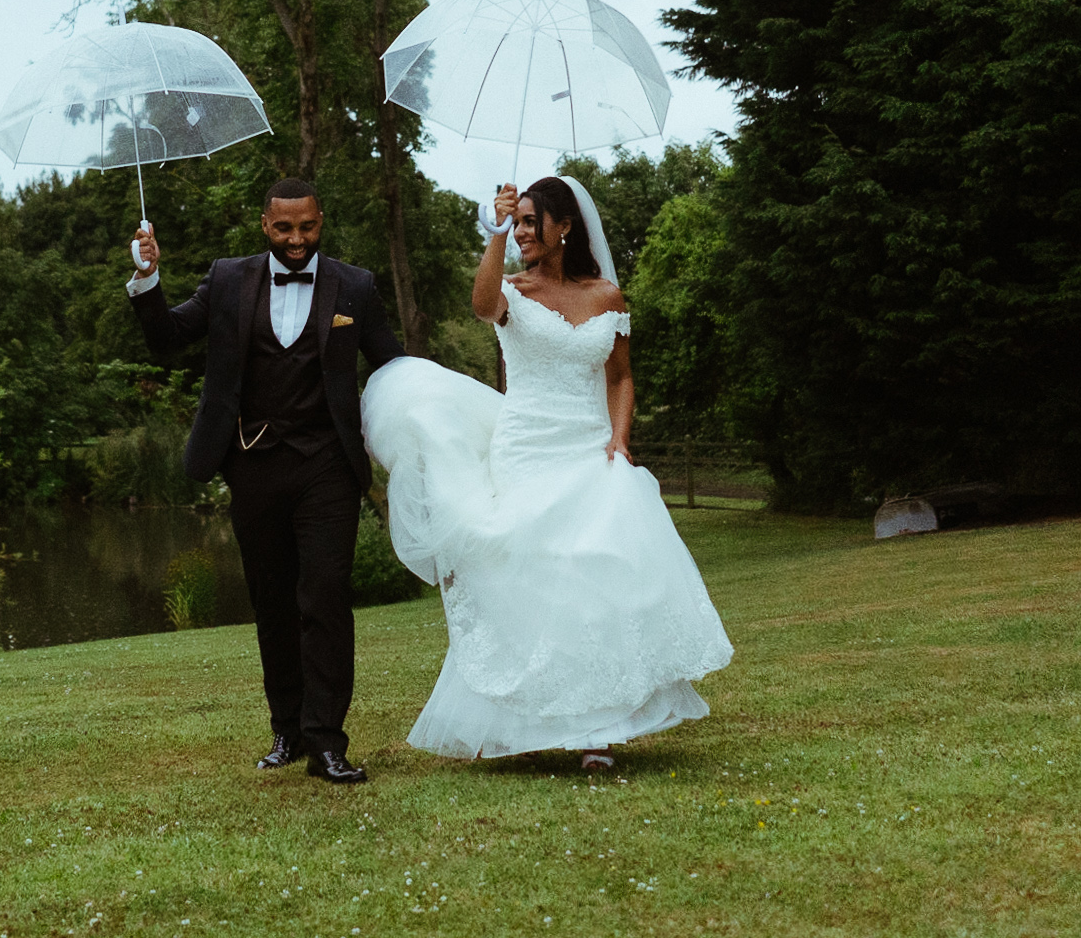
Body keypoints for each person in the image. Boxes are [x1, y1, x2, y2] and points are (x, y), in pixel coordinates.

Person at [359, 174, 731, 770]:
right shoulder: (512, 288)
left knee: (591, 579)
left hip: (589, 448)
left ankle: (598, 731)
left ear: (565, 227)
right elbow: (481, 307)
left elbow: (620, 377)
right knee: (530, 580)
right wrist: (496, 230)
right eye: (521, 221)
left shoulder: (607, 297)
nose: (526, 232)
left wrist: (619, 439)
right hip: (526, 448)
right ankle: (524, 719)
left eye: (533, 222)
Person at [126, 176, 406, 784]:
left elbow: (392, 362)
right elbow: (166, 337)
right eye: (284, 228)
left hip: (328, 465)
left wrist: (431, 421)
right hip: (252, 463)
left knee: (325, 596)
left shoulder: (354, 286)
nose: (297, 239)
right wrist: (148, 278)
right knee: (273, 602)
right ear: (265, 225)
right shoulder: (227, 279)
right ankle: (288, 732)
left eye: (307, 227)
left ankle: (327, 742)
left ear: (320, 220)